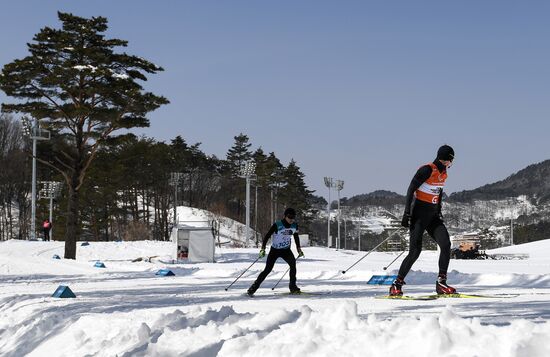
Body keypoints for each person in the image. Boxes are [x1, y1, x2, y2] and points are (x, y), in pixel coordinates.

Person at [389, 145, 456, 296]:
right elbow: (411, 189)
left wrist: (438, 210)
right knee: (415, 251)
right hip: (419, 215)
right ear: (447, 159)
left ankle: (441, 283)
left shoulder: (444, 173)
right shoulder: (427, 169)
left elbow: (438, 192)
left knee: (445, 244)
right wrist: (406, 213)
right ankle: (396, 284)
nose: (452, 163)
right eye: (452, 159)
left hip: (432, 216)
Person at [247, 208, 304, 296]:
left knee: (293, 265)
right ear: (285, 216)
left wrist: (298, 249)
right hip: (275, 250)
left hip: (286, 250)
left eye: (293, 217)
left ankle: (293, 287)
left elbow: (296, 237)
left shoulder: (295, 225)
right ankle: (253, 288)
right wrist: (263, 249)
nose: (291, 219)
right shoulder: (277, 225)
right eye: (289, 217)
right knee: (267, 270)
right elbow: (267, 236)